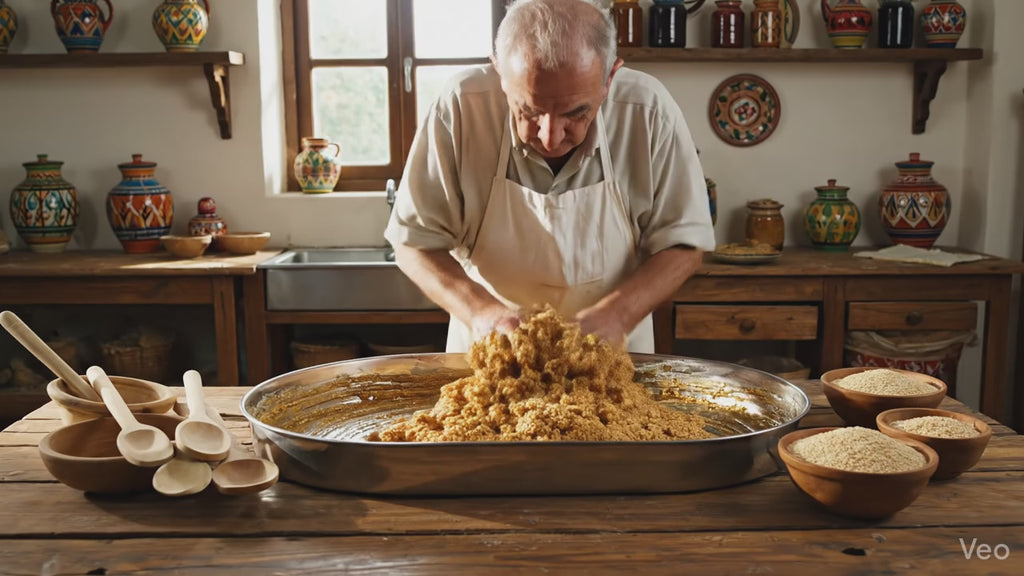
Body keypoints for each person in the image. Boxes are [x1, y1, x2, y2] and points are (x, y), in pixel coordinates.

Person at [384, 0, 715, 353]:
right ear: (498, 71)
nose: (549, 137)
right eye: (529, 111)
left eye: (576, 113)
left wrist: (618, 314)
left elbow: (684, 242)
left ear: (609, 78)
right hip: (491, 359)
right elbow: (414, 243)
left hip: (613, 360)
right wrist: (483, 314)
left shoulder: (648, 110)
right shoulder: (460, 106)